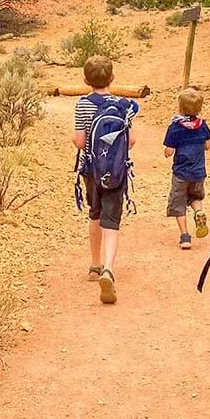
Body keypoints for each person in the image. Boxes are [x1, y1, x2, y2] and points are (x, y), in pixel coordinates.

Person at [72, 55, 136, 305]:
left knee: (95, 214)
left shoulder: (82, 104)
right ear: (112, 78)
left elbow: (79, 141)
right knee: (112, 220)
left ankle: (94, 265)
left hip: (90, 169)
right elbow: (130, 142)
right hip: (116, 171)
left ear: (85, 80)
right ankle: (109, 268)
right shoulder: (124, 105)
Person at [163, 87, 210, 249]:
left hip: (181, 173)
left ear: (180, 108)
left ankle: (185, 236)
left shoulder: (176, 127)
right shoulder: (202, 125)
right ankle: (199, 212)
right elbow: (207, 146)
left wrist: (167, 150)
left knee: (179, 204)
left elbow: (169, 152)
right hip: (198, 172)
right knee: (195, 197)